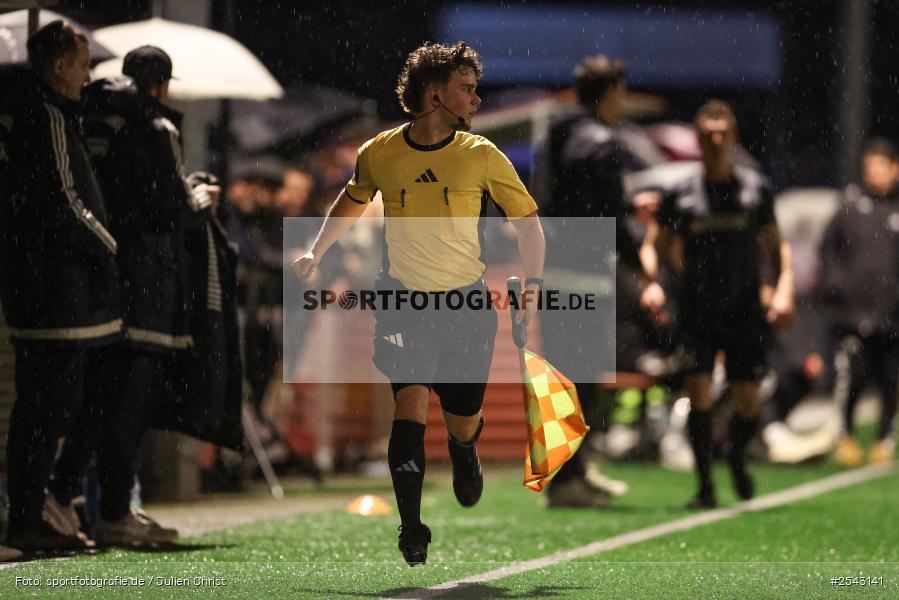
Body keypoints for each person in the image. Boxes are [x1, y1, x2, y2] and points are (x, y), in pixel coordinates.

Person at [293, 41, 544, 566]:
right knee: (409, 404)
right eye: (467, 89)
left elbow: (527, 222)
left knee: (461, 420)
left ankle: (464, 449)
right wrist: (317, 249)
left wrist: (535, 283)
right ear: (435, 95)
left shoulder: (482, 155)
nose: (476, 99)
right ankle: (411, 526)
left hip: (466, 307)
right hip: (403, 302)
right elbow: (352, 200)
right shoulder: (379, 151)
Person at [47, 46, 215, 545]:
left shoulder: (89, 119)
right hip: (145, 283)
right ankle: (111, 510)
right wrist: (201, 197)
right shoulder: (154, 126)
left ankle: (67, 497)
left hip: (100, 281)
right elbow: (171, 208)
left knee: (96, 399)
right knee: (127, 406)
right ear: (160, 85)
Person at [0, 21, 121, 551]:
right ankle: (31, 514)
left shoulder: (38, 115)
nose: (87, 76)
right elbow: (65, 200)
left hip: (43, 286)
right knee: (50, 406)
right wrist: (110, 249)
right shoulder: (46, 116)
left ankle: (33, 512)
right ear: (58, 68)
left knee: (44, 406)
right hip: (56, 289)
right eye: (82, 65)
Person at [643, 100, 794, 509]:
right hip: (697, 308)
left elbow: (777, 246)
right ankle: (705, 485)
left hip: (745, 308)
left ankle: (736, 454)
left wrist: (783, 290)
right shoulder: (680, 193)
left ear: (734, 138)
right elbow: (654, 245)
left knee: (748, 401)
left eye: (722, 133)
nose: (715, 140)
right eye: (708, 134)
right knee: (700, 393)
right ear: (698, 140)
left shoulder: (755, 189)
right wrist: (653, 282)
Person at [531, 55, 663, 507]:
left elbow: (560, 201)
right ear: (613, 93)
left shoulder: (553, 135)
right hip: (586, 274)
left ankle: (572, 472)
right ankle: (568, 481)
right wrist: (642, 267)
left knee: (562, 379)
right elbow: (610, 219)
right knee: (584, 381)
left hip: (552, 269)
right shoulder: (604, 143)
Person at [819, 137, 899, 466]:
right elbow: (828, 249)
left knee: (890, 379)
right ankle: (845, 435)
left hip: (892, 316)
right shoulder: (850, 205)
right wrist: (837, 285)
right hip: (852, 314)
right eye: (870, 167)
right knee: (852, 376)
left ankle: (884, 438)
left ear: (895, 169)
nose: (875, 173)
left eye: (881, 167)